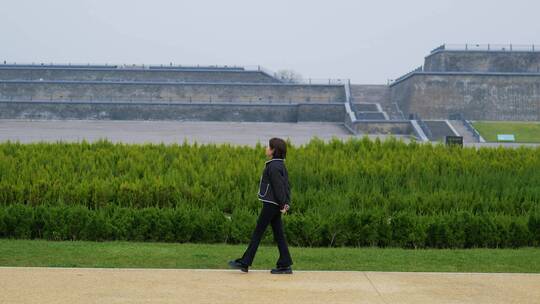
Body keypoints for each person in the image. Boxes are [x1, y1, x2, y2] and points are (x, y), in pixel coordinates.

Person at [228, 137, 293, 274]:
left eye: (268, 147)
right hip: (276, 204)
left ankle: (245, 262)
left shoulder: (273, 166)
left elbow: (278, 187)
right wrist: (286, 202)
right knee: (279, 234)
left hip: (271, 205)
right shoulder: (280, 165)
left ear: (274, 150)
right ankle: (285, 263)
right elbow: (286, 186)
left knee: (258, 232)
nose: (266, 149)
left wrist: (283, 203)